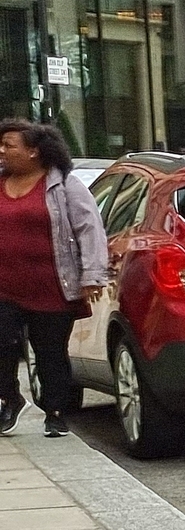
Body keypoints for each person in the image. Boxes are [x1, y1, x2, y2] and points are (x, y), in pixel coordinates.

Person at [0, 119, 108, 437]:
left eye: (9, 145)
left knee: (50, 352)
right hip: (4, 286)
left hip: (51, 287)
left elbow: (90, 229)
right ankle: (10, 398)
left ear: (34, 151)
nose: (2, 151)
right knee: (2, 346)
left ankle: (56, 411)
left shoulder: (63, 185)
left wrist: (92, 276)